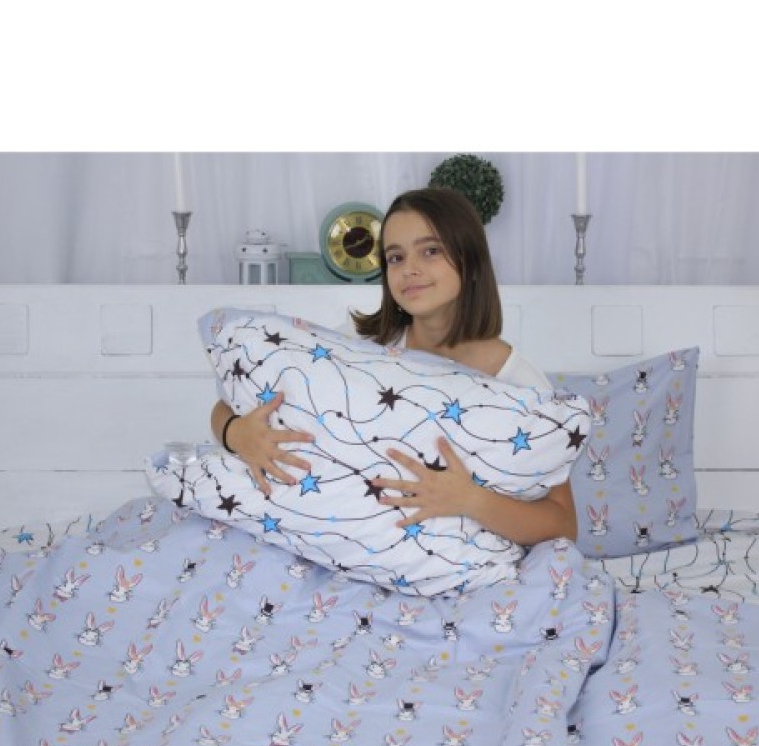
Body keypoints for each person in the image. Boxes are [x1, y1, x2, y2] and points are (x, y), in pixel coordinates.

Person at [209, 186, 577, 546]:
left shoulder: (519, 384)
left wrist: (470, 500)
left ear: (471, 261)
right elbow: (226, 409)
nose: (410, 269)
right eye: (396, 257)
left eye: (430, 251)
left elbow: (564, 524)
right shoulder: (358, 345)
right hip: (337, 544)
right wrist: (236, 434)